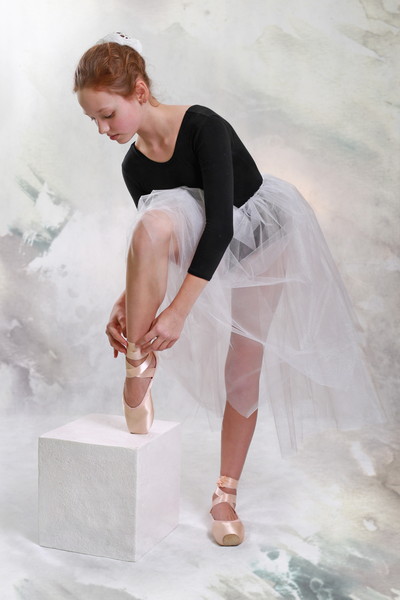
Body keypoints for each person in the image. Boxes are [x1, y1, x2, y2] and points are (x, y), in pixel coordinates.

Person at [74, 32, 389, 547]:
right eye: (93, 120)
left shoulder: (204, 126)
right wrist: (125, 302)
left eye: (107, 114)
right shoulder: (133, 166)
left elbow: (220, 226)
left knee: (242, 366)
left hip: (262, 242)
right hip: (203, 247)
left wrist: (177, 311)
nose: (103, 129)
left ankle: (225, 493)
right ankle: (138, 361)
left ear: (140, 91)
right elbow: (154, 243)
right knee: (150, 224)